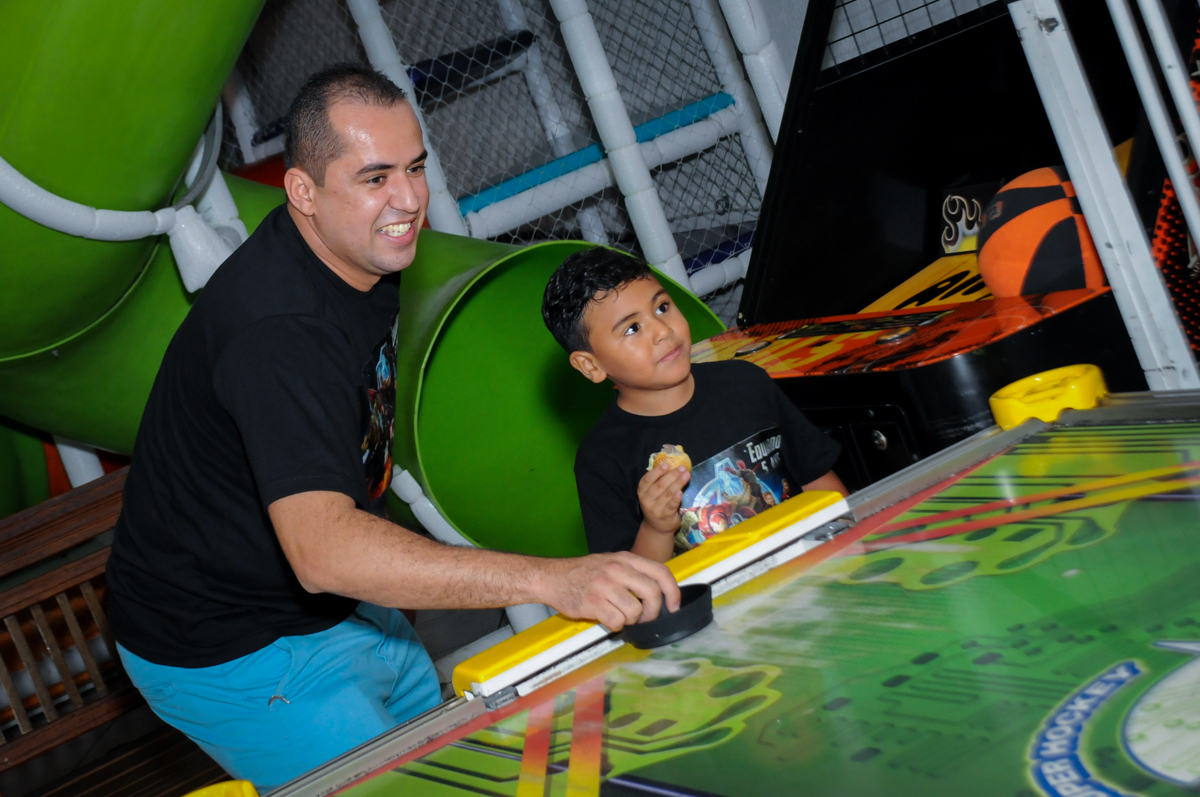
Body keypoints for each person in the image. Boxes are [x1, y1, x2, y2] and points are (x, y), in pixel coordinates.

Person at [105, 64, 679, 791]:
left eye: (415, 167)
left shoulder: (357, 251)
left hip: (346, 605)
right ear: (302, 191)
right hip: (233, 646)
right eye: (375, 177)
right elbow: (322, 551)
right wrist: (551, 577)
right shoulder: (276, 335)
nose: (409, 199)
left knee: (460, 774)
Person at [541, 248, 848, 563]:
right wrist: (656, 529)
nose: (663, 331)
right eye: (632, 328)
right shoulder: (602, 457)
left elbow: (820, 482)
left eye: (662, 307)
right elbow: (630, 581)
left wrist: (855, 546)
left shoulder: (745, 382)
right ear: (591, 366)